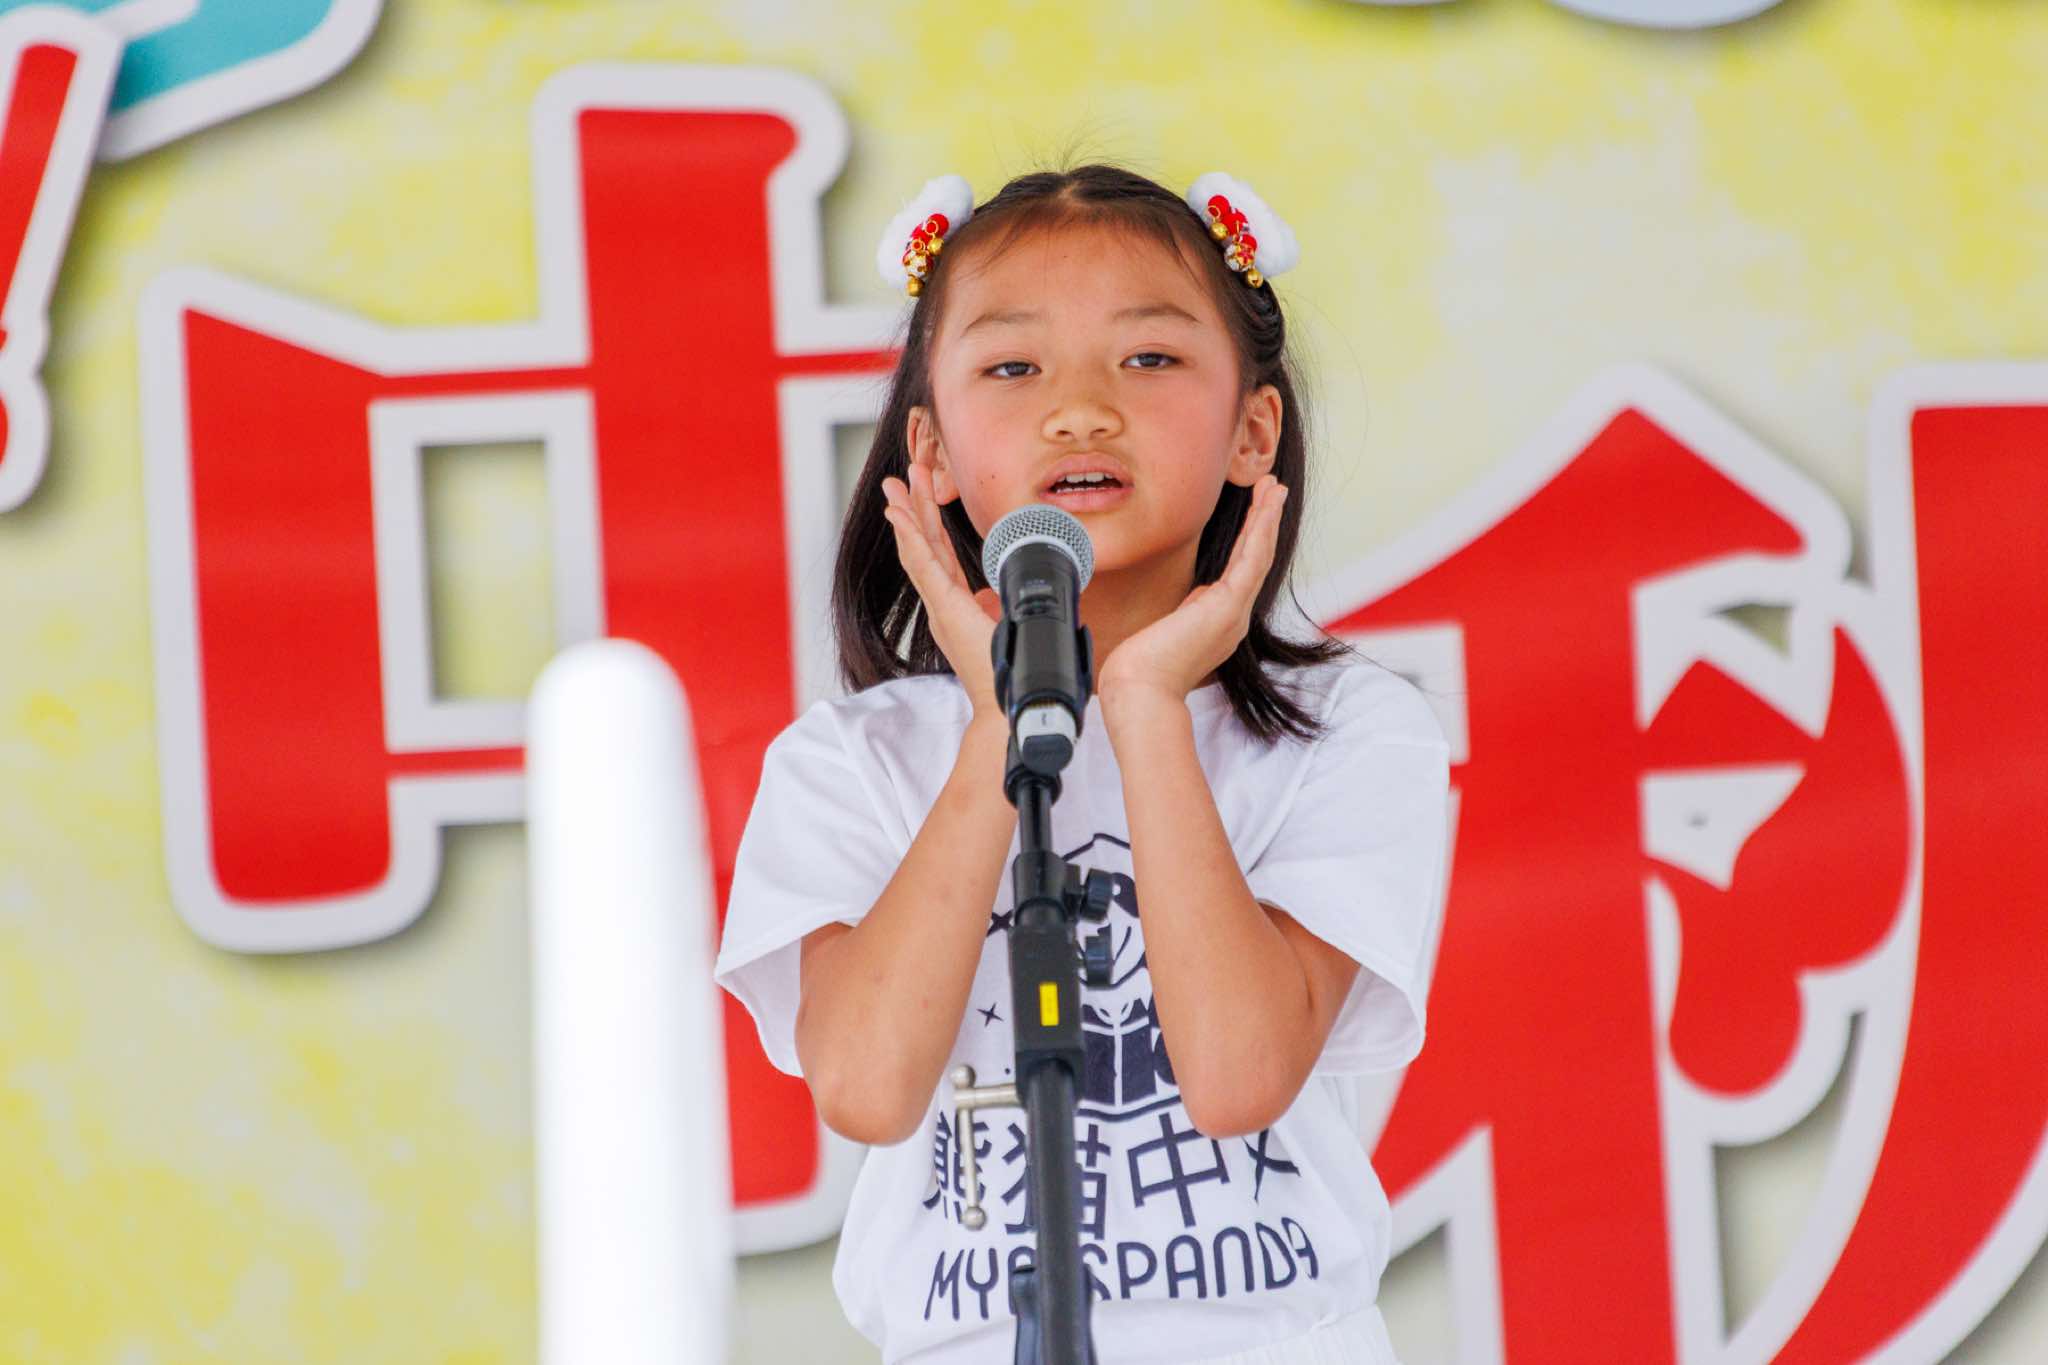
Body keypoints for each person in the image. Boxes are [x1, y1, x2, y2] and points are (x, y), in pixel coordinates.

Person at [713, 163, 1451, 1365]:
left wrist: (1144, 703)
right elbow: (865, 1086)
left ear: (1252, 431)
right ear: (929, 451)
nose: (1079, 411)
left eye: (1148, 358)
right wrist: (995, 724)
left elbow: (1236, 1077)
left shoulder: (1347, 729)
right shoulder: (853, 760)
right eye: (1012, 368)